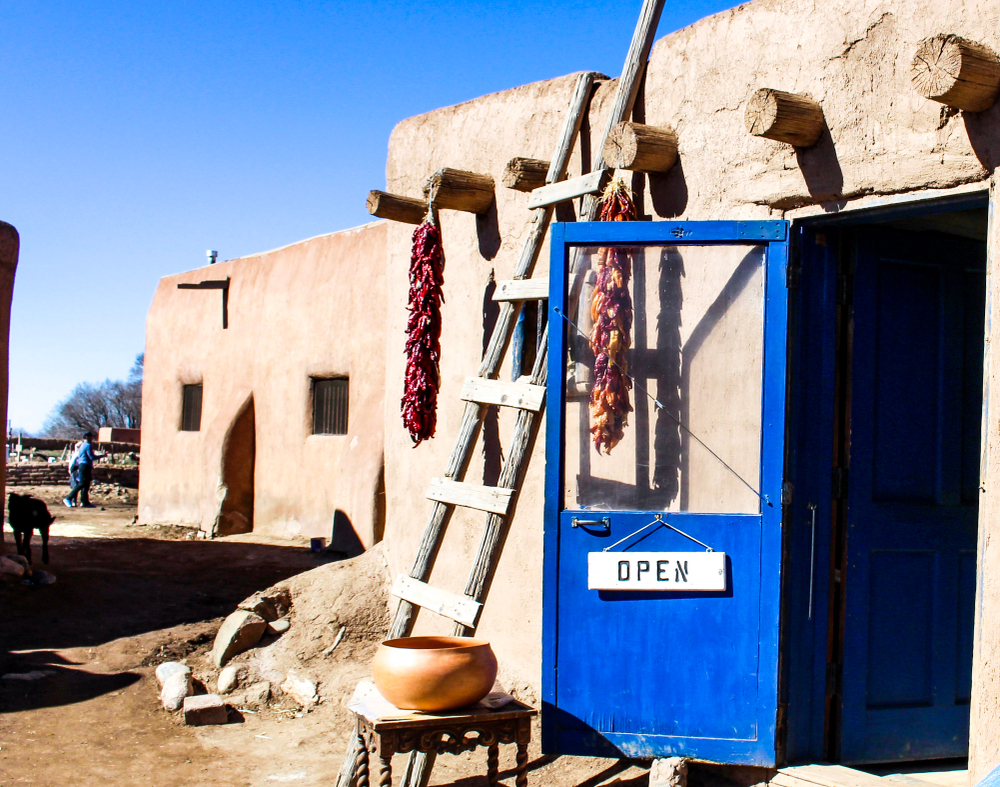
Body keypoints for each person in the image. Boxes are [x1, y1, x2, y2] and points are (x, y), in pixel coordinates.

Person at [64, 433, 103, 508]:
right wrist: (102, 456)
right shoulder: (87, 445)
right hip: (85, 465)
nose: (92, 438)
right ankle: (68, 498)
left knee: (86, 484)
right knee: (82, 483)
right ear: (86, 437)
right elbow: (91, 457)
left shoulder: (83, 445)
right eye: (91, 437)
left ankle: (85, 502)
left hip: (84, 465)